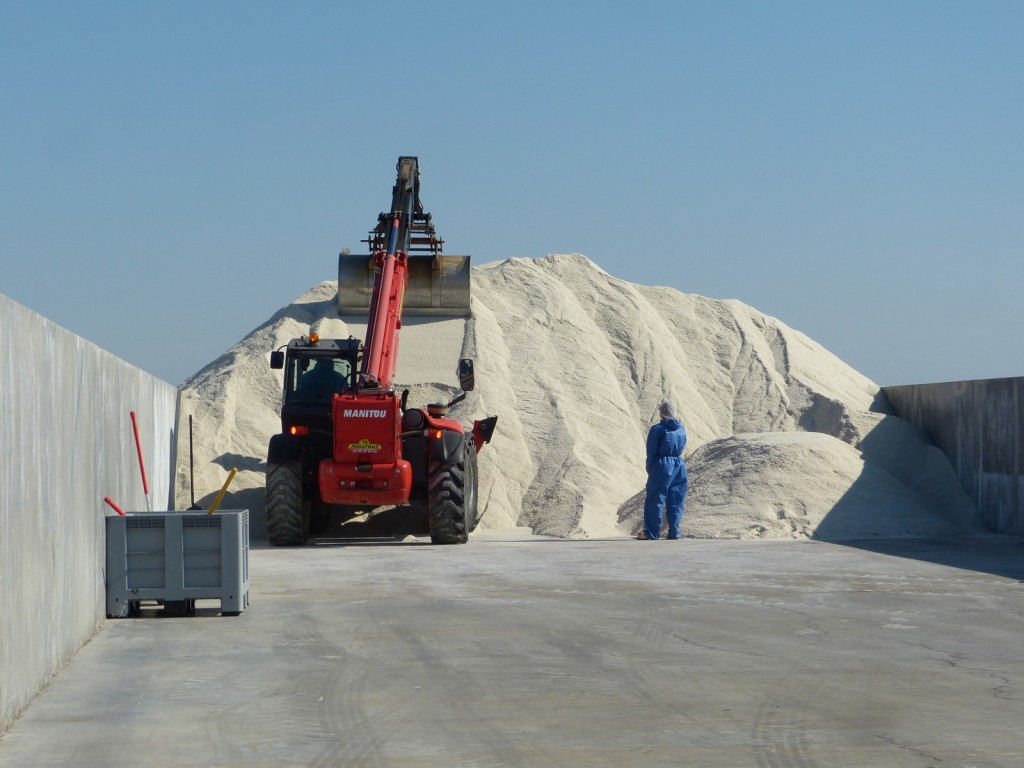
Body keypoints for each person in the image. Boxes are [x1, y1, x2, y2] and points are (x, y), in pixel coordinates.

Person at [638, 400, 688, 540]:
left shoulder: (658, 429)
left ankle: (651, 532)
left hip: (662, 465)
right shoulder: (682, 429)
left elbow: (651, 451)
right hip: (679, 465)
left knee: (655, 498)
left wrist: (650, 468)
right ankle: (674, 532)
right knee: (676, 499)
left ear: (661, 413)